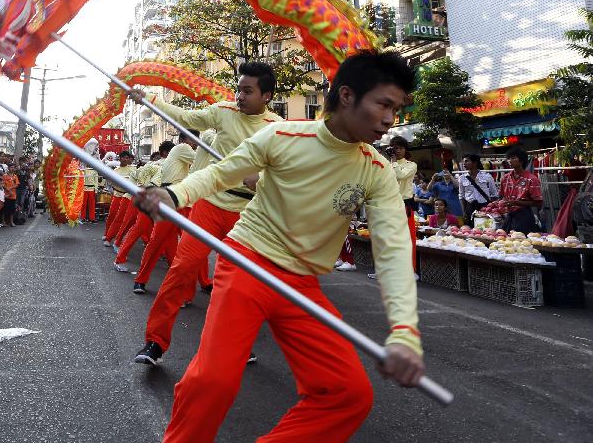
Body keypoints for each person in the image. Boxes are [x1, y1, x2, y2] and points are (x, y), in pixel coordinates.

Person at [134, 50, 424, 441]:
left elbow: (392, 252)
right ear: (346, 96)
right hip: (248, 263)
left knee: (348, 394)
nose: (391, 119)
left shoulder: (377, 170)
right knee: (214, 381)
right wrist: (173, 194)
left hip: (302, 284)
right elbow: (220, 173)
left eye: (397, 108)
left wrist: (405, 332)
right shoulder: (283, 135)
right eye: (384, 104)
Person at [131, 62, 282, 365]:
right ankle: (155, 342)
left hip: (249, 215)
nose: (239, 96)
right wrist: (151, 100)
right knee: (180, 270)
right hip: (210, 205)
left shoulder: (278, 129)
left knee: (241, 285)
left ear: (266, 95)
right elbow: (186, 117)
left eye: (248, 91)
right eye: (239, 89)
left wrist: (262, 179)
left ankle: (238, 343)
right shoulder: (224, 111)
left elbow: (286, 173)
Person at [133, 132, 199, 294]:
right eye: (193, 139)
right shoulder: (183, 148)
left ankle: (199, 284)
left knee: (181, 244)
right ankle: (141, 280)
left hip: (181, 198)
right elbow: (203, 161)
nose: (196, 143)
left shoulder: (180, 157)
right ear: (182, 140)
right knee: (170, 242)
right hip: (172, 199)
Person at [113, 149, 164, 272]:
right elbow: (139, 174)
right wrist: (142, 185)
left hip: (163, 201)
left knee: (160, 231)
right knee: (134, 226)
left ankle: (169, 260)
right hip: (144, 197)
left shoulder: (163, 164)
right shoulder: (158, 166)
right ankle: (118, 250)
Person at [385, 135, 418, 275]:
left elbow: (400, 175)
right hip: (388, 204)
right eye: (395, 148)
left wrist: (392, 161)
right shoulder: (386, 164)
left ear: (405, 150)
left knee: (407, 239)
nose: (397, 151)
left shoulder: (411, 165)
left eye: (400, 148)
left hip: (404, 205)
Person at [496, 146, 543, 232]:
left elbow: (538, 202)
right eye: (508, 158)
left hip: (524, 216)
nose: (509, 161)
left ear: (521, 160)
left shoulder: (532, 179)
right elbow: (501, 196)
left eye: (513, 158)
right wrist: (501, 203)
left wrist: (517, 203)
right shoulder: (505, 178)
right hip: (509, 216)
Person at [102, 150, 136, 245]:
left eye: (127, 158)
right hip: (117, 195)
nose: (126, 159)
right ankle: (107, 234)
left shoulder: (133, 170)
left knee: (122, 218)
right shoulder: (115, 171)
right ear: (120, 158)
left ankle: (112, 238)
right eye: (124, 157)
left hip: (127, 196)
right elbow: (110, 184)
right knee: (112, 215)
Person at [458, 153, 498, 221]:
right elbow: (461, 196)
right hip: (470, 207)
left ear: (475, 163)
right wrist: (464, 212)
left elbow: (494, 194)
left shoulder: (487, 176)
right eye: (463, 161)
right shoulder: (462, 178)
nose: (464, 163)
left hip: (485, 208)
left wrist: (493, 210)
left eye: (467, 161)